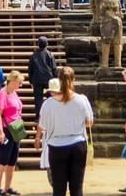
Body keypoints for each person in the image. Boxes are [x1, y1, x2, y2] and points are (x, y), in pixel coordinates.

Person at [37, 67, 93, 196]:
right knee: (77, 187)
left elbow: (43, 125)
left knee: (58, 188)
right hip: (78, 143)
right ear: (73, 79)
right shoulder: (82, 100)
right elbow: (89, 122)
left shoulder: (48, 103)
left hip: (57, 145)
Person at [0, 70, 26, 196]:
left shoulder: (14, 93)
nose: (20, 85)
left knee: (12, 159)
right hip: (5, 129)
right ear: (12, 81)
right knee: (3, 158)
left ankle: (8, 187)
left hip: (16, 128)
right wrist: (0, 132)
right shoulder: (3, 93)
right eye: (19, 82)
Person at [28, 36, 57, 120]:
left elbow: (30, 69)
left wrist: (31, 81)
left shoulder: (34, 55)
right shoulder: (50, 54)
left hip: (37, 79)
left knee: (38, 98)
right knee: (50, 97)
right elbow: (54, 68)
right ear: (47, 44)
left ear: (38, 44)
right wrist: (56, 78)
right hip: (49, 78)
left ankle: (38, 116)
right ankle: (50, 114)